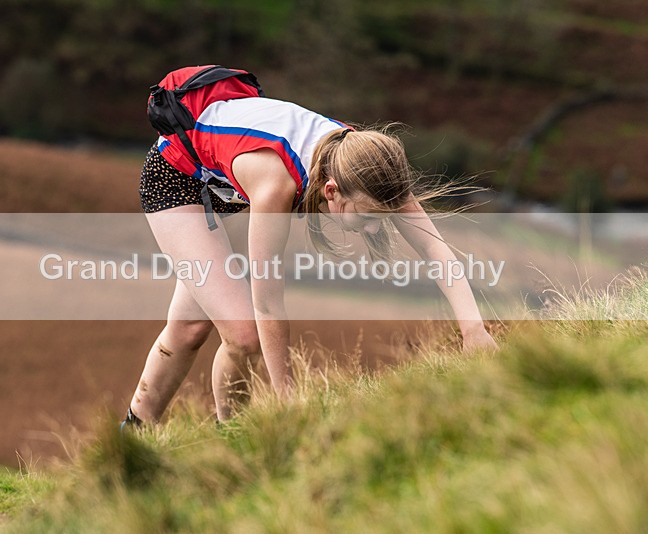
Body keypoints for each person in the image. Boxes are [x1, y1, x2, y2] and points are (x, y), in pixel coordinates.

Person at [123, 67, 497, 427]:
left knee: (189, 327)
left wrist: (474, 330)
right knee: (243, 336)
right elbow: (268, 302)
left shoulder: (369, 165)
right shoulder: (276, 187)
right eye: (365, 217)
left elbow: (435, 249)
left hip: (227, 178)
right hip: (176, 181)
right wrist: (289, 403)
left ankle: (135, 432)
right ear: (331, 190)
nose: (373, 226)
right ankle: (232, 436)